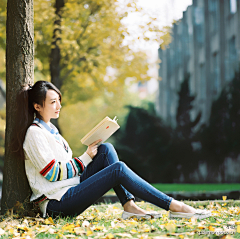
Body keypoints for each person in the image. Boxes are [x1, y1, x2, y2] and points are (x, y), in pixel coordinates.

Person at [15, 80, 211, 220]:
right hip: (56, 204)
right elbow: (51, 173)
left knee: (106, 149)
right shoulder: (35, 133)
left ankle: (129, 205)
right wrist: (84, 159)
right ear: (37, 106)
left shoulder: (52, 131)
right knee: (118, 169)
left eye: (59, 100)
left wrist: (89, 155)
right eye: (52, 102)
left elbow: (65, 168)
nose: (59, 106)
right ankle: (175, 206)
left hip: (70, 189)